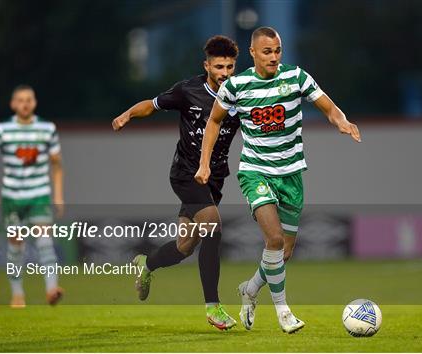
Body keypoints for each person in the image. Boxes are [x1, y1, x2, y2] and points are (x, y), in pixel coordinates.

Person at [195, 27, 361, 334]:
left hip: (292, 173)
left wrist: (341, 121)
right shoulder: (236, 85)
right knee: (273, 240)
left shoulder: (296, 77)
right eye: (267, 51)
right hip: (255, 171)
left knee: (283, 252)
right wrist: (204, 163)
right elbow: (214, 121)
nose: (274, 57)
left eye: (278, 50)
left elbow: (327, 105)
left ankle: (250, 289)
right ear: (253, 53)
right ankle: (284, 312)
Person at [111, 35, 240, 330]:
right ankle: (213, 308)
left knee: (185, 246)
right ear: (206, 65)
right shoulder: (188, 90)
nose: (224, 73)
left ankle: (147, 264)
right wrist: (128, 113)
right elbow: (152, 104)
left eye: (230, 67)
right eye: (219, 66)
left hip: (215, 178)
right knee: (213, 225)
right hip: (186, 174)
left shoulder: (240, 94)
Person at [0, 85, 65, 308]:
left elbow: (57, 165)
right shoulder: (2, 130)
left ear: (34, 103)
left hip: (39, 194)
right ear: (13, 104)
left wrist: (58, 195)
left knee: (45, 242)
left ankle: (51, 289)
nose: (25, 103)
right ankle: (17, 293)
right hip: (12, 197)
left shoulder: (47, 129)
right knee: (16, 246)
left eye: (29, 99)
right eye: (20, 100)